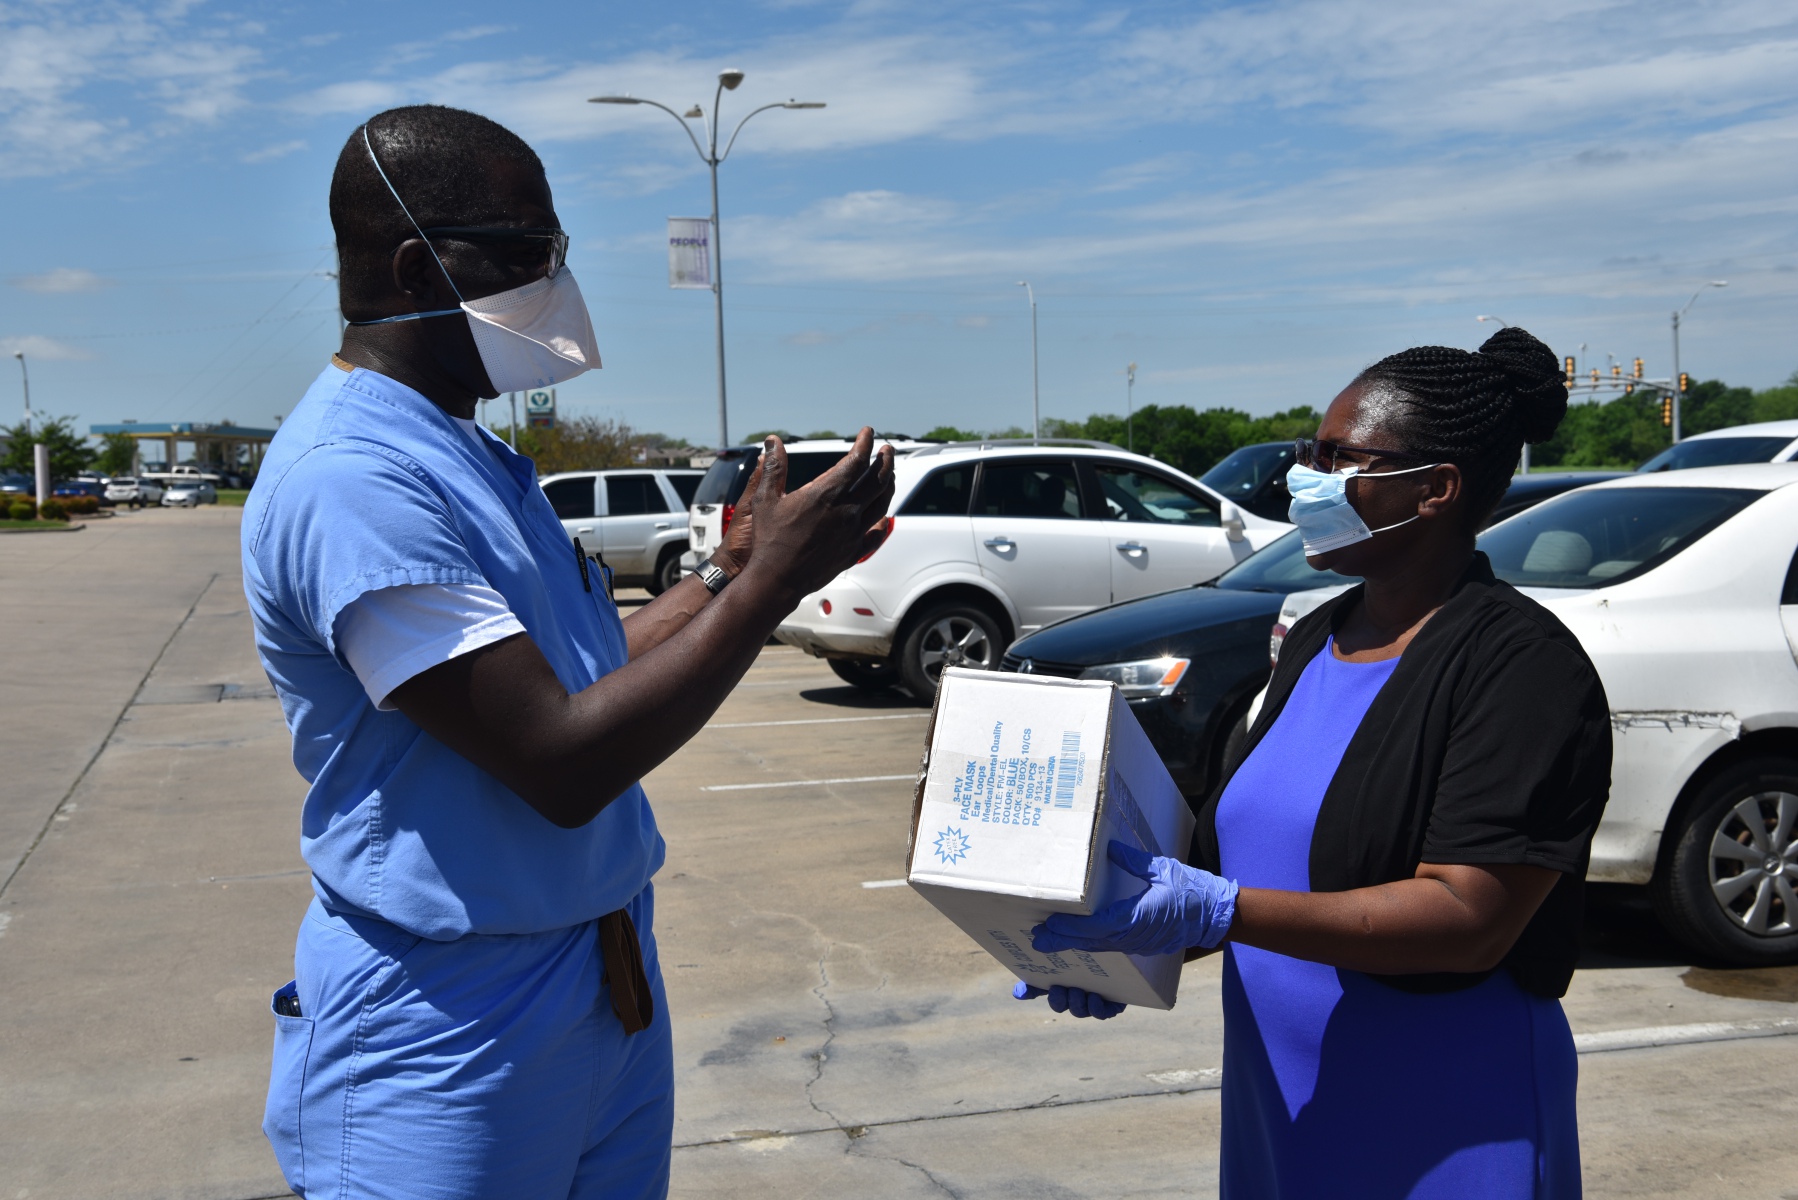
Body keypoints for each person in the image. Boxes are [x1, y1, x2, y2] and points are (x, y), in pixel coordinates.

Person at [243, 104, 894, 1199]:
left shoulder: (460, 451)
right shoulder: (353, 478)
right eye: (525, 254)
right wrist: (768, 587)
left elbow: (579, 677)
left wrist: (726, 574)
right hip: (449, 1024)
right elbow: (558, 758)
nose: (554, 281)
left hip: (600, 974)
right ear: (416, 269)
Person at [1017, 327, 1610, 1197]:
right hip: (1284, 1106)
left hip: (1444, 1113)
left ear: (1435, 489)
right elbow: (1247, 865)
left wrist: (1215, 912)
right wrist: (1119, 949)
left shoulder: (1521, 666)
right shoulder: (1316, 639)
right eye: (1310, 452)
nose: (1306, 479)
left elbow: (1468, 917)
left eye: (1340, 459)